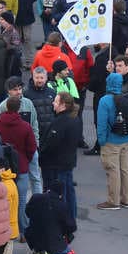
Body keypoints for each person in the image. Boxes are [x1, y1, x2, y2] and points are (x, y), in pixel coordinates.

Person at [0, 96, 37, 237]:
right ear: (19, 108)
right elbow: (32, 148)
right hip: (21, 167)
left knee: (2, 200)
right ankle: (23, 231)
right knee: (21, 200)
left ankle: (3, 229)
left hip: (3, 169)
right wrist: (25, 159)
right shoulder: (25, 127)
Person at [39, 92, 80, 221]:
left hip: (56, 165)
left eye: (56, 102)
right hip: (68, 162)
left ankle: (61, 222)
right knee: (69, 192)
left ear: (62, 105)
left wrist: (41, 155)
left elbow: (51, 144)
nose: (53, 103)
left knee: (59, 195)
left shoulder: (61, 122)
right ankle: (71, 218)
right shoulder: (76, 119)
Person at [96, 73, 128, 210]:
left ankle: (113, 201)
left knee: (113, 171)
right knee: (125, 170)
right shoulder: (127, 97)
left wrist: (101, 140)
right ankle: (126, 199)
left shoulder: (105, 100)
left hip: (111, 141)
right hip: (127, 139)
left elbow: (102, 123)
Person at [24, 180, 78, 254]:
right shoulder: (62, 205)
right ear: (61, 193)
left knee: (35, 228)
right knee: (69, 252)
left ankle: (38, 251)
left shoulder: (35, 198)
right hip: (53, 241)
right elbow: (72, 226)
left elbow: (27, 213)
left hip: (34, 238)